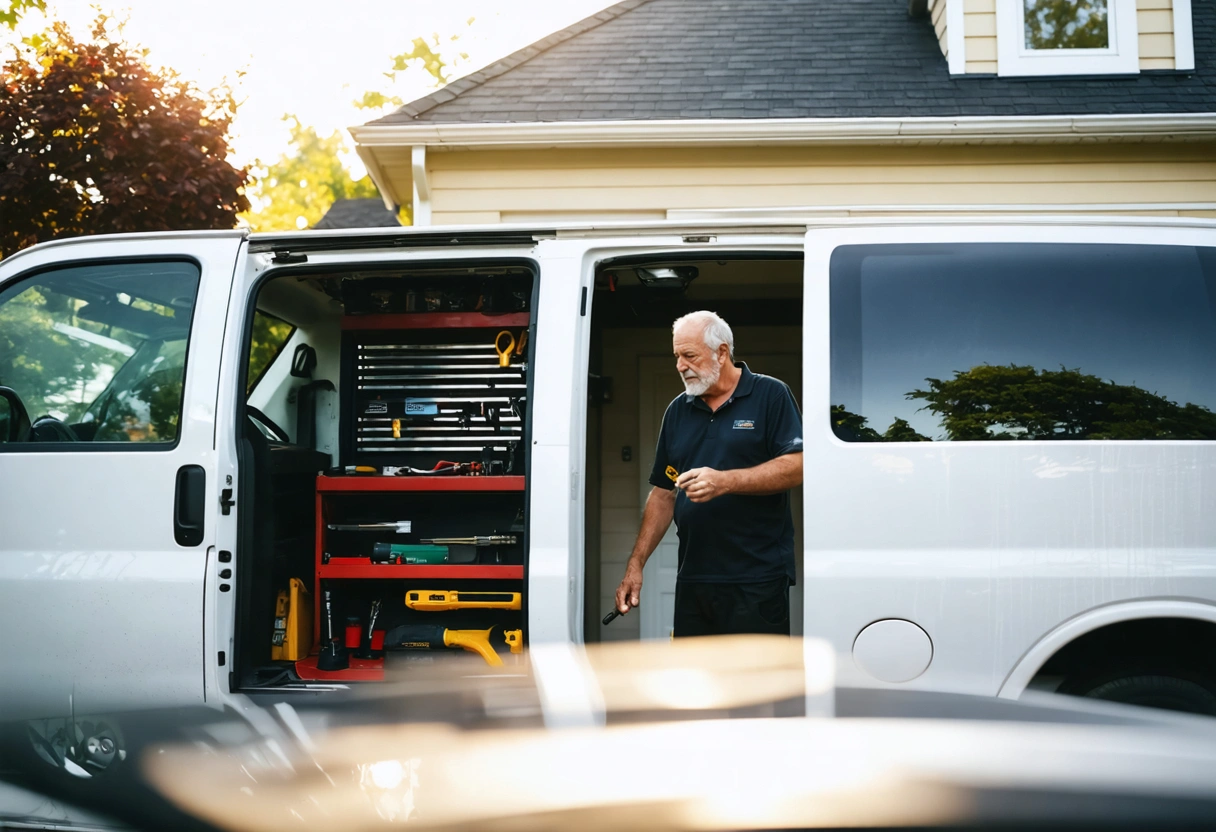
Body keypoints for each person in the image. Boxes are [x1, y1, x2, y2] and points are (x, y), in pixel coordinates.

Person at [613, 310, 803, 636]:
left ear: (722, 352)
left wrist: (725, 481)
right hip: (695, 579)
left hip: (757, 578)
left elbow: (797, 466)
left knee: (755, 685)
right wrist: (636, 565)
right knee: (697, 683)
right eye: (676, 357)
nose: (680, 366)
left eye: (689, 356)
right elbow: (663, 493)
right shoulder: (677, 411)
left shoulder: (770, 395)